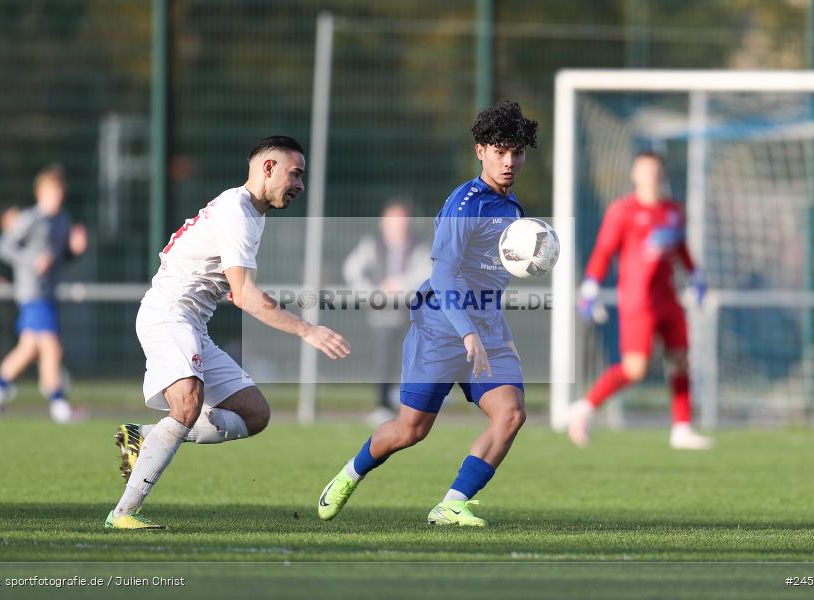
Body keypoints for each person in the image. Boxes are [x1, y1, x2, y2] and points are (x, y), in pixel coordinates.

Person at [105, 136, 350, 530]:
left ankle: (145, 437)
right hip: (169, 316)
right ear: (268, 168)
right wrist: (306, 330)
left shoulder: (253, 213)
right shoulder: (237, 211)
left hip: (192, 324)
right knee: (187, 403)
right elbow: (246, 296)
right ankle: (123, 513)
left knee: (254, 414)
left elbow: (239, 293)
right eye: (296, 174)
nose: (300, 185)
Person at [317, 101, 536, 527]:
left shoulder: (514, 213)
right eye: (499, 151)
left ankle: (452, 503)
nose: (509, 161)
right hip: (440, 328)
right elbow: (445, 274)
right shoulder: (465, 203)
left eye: (517, 153)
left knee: (511, 413)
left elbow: (493, 284)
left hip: (484, 329)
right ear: (480, 151)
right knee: (410, 430)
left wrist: (498, 334)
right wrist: (467, 333)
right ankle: (350, 474)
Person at [570, 151, 713, 450]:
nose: (651, 176)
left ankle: (682, 429)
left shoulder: (673, 210)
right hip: (638, 301)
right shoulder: (622, 211)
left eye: (655, 170)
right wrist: (590, 288)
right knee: (635, 369)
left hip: (668, 298)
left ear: (662, 174)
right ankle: (585, 406)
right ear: (634, 175)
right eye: (645, 170)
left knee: (680, 361)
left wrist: (697, 278)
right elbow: (604, 250)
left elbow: (681, 250)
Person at [0, 165, 88, 424]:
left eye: (60, 192)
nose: (57, 197)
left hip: (48, 294)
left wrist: (75, 250)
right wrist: (31, 259)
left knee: (27, 350)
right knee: (51, 346)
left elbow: (60, 258)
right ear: (40, 193)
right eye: (52, 192)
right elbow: (3, 247)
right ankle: (59, 405)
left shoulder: (62, 220)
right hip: (31, 293)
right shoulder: (30, 219)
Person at [342, 200, 430, 426]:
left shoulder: (418, 246)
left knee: (414, 360)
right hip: (381, 315)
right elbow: (352, 270)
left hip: (412, 315)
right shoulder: (372, 245)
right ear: (384, 223)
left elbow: (427, 274)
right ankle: (383, 406)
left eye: (402, 221)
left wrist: (399, 285)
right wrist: (373, 294)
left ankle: (414, 406)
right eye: (394, 221)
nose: (399, 226)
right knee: (384, 361)